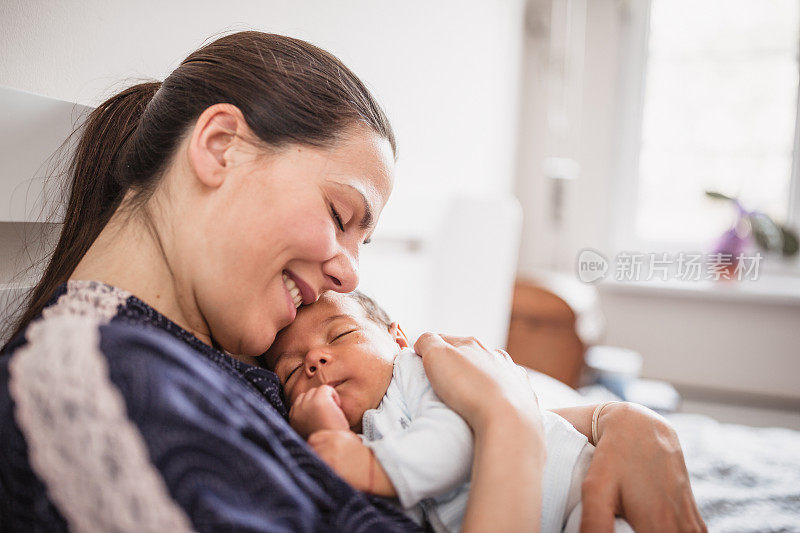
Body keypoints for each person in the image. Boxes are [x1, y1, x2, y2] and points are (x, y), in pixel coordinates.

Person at [0, 31, 706, 532]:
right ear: (219, 146)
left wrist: (622, 422)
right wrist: (509, 426)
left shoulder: (229, 345)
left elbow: (411, 398)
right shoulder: (107, 390)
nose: (350, 269)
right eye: (342, 215)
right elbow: (477, 416)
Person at [264, 290, 634, 533]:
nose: (314, 359)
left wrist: (362, 461)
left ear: (397, 339)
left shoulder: (415, 372)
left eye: (340, 335)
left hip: (574, 490)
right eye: (291, 371)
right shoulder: (349, 442)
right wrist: (331, 436)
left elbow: (453, 443)